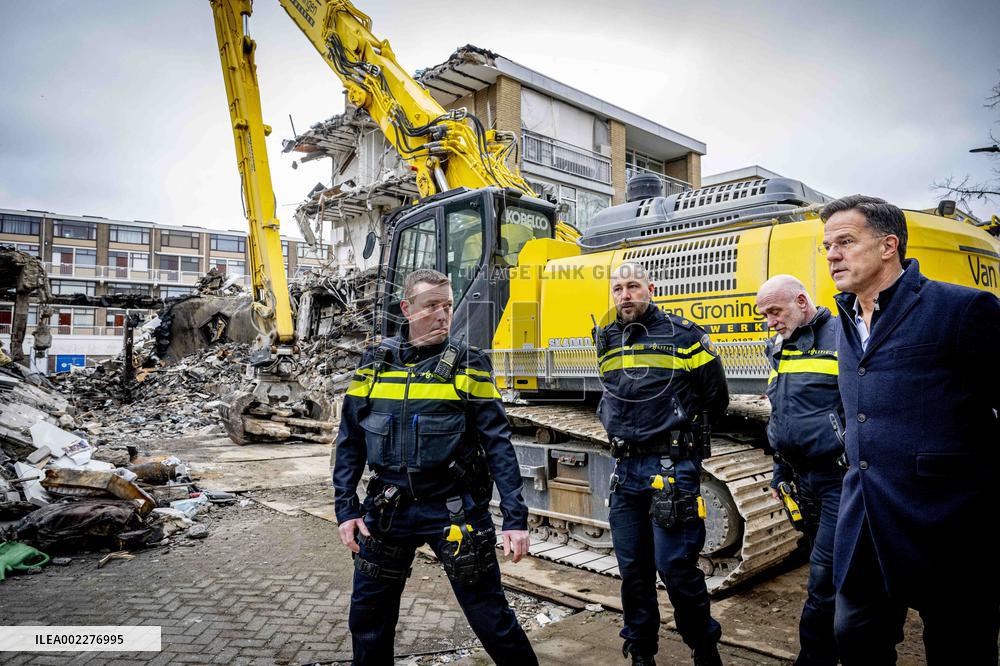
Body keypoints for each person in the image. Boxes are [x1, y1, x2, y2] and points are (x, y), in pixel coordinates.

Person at [821, 194, 1000, 664]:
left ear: (888, 246)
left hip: (948, 523)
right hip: (864, 518)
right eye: (827, 246)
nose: (832, 255)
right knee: (855, 637)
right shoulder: (842, 320)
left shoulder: (962, 310)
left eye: (845, 241)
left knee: (960, 647)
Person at [333, 268, 537, 666]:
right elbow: (350, 439)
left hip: (453, 511)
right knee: (368, 621)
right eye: (432, 307)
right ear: (407, 309)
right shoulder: (375, 362)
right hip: (388, 509)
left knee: (491, 619)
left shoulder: (469, 363)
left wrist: (515, 519)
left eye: (447, 306)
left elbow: (498, 444)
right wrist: (346, 508)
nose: (444, 315)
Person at [593, 262, 729, 666]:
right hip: (626, 470)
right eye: (618, 288)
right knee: (633, 572)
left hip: (670, 467)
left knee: (676, 569)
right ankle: (642, 651)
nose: (625, 295)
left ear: (650, 288)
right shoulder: (608, 338)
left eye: (633, 286)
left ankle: (704, 649)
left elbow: (715, 399)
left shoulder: (684, 336)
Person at [756, 275, 844, 666]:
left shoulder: (842, 334)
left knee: (822, 578)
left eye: (775, 311)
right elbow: (783, 411)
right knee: (822, 563)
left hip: (838, 479)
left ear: (802, 301)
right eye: (765, 315)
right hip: (800, 477)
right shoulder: (778, 345)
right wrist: (780, 470)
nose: (770, 321)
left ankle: (815, 658)